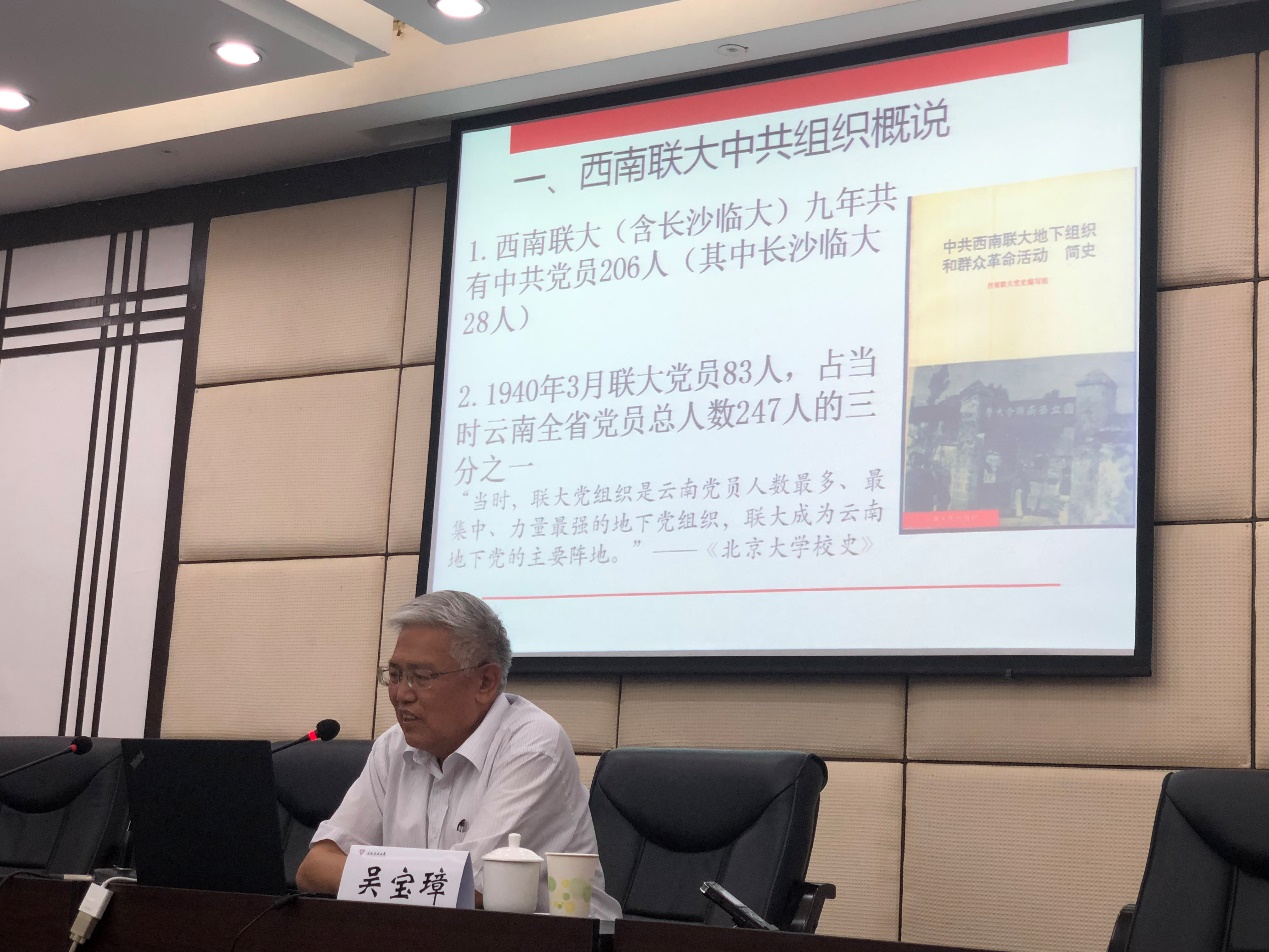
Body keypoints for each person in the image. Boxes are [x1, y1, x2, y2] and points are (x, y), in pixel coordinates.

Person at [296, 590, 621, 918]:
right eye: (395, 675)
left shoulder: (533, 746)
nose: (401, 694)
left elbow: (471, 889)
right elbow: (315, 867)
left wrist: (372, 874)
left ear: (485, 682)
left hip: (560, 940)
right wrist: (414, 879)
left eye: (421, 677)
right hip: (427, 934)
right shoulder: (393, 746)